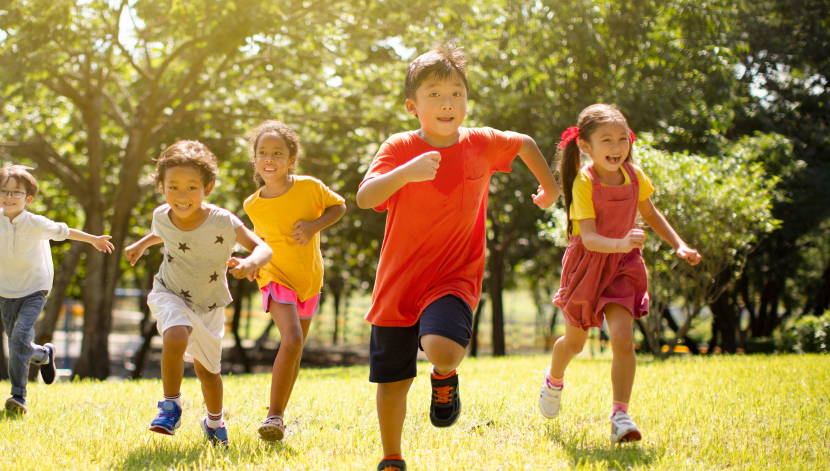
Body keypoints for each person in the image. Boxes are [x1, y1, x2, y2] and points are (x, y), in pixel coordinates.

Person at [355, 41, 560, 471]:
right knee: (394, 381)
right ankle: (391, 457)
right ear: (413, 106)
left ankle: (445, 377)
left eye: (456, 94)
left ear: (466, 100)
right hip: (398, 283)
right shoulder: (398, 148)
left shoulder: (481, 143)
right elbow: (364, 196)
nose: (447, 104)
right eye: (434, 95)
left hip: (454, 275)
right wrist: (405, 173)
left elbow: (522, 142)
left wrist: (551, 187)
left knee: (443, 350)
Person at [536, 104, 701, 443]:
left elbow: (651, 215)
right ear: (585, 146)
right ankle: (554, 378)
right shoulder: (584, 182)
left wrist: (679, 245)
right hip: (588, 266)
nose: (616, 147)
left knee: (623, 338)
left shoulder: (635, 175)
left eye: (622, 139)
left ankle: (620, 416)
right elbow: (591, 238)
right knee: (575, 344)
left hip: (623, 266)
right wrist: (623, 241)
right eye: (607, 140)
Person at [124, 140, 273, 447]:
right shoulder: (161, 215)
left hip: (210, 302)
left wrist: (250, 263)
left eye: (192, 188)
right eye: (173, 187)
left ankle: (214, 422)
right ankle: (170, 406)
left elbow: (263, 247)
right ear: (161, 187)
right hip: (170, 290)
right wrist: (141, 244)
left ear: (208, 187)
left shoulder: (222, 220)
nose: (182, 196)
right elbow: (163, 233)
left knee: (208, 373)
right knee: (175, 335)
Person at [0, 164, 114, 415]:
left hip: (35, 287)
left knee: (19, 337)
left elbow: (65, 231)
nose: (9, 197)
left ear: (29, 198)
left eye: (16, 193)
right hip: (6, 289)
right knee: (17, 341)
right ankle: (44, 355)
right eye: (4, 192)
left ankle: (18, 396)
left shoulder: (35, 223)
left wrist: (94, 240)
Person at [241, 120, 346, 441]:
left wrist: (314, 226)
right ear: (255, 160)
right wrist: (248, 262)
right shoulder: (252, 204)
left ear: (291, 160)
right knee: (292, 339)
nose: (269, 158)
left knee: (295, 347)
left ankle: (278, 419)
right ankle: (273, 415)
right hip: (274, 275)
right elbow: (256, 240)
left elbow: (338, 206)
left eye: (277, 152)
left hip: (308, 278)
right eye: (262, 152)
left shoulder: (309, 187)